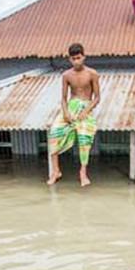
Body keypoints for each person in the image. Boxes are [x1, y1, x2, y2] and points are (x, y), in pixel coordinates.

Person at [47, 43, 100, 187]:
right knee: (54, 133)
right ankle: (56, 171)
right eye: (73, 59)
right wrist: (65, 113)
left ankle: (83, 172)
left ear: (84, 57)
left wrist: (86, 111)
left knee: (84, 136)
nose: (77, 61)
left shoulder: (92, 73)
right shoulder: (66, 75)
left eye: (79, 58)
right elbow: (63, 98)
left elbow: (97, 98)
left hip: (86, 107)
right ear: (69, 59)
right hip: (71, 106)